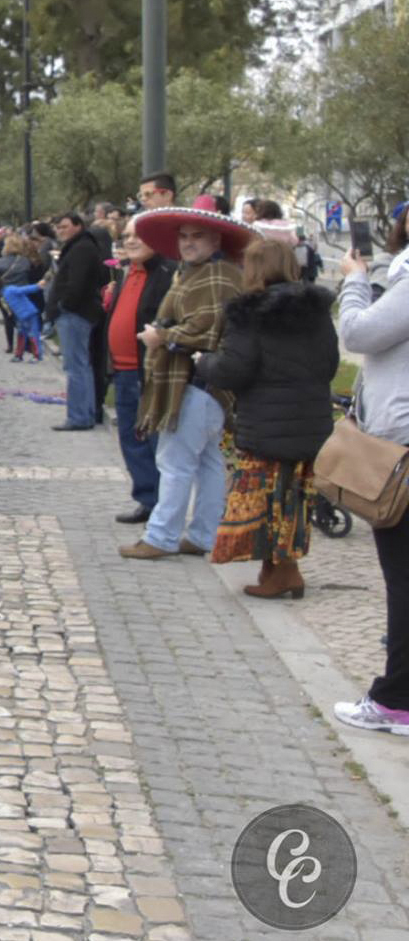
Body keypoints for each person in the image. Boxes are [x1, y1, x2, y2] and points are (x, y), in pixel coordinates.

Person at [195, 239, 338, 599]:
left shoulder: (250, 313)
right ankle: (276, 569)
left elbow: (234, 369)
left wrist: (203, 362)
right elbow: (331, 364)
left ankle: (285, 572)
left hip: (267, 423)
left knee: (268, 500)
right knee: (293, 497)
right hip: (311, 420)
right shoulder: (316, 311)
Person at [119, 208, 250, 561]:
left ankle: (160, 537)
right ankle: (203, 534)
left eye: (197, 237)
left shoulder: (216, 276)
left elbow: (205, 330)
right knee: (207, 462)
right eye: (184, 236)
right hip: (203, 385)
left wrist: (159, 336)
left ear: (215, 240)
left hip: (195, 383)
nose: (188, 243)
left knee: (174, 463)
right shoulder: (200, 272)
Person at [335, 205, 409, 735]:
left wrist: (357, 283)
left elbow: (359, 334)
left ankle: (395, 699)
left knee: (402, 576)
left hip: (401, 442)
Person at [104, 219, 173, 525]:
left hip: (148, 371)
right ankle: (146, 499)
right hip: (122, 370)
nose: (130, 241)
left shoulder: (166, 273)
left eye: (138, 236)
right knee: (130, 438)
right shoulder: (127, 271)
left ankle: (163, 506)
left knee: (155, 442)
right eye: (126, 236)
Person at [44, 212, 105, 432]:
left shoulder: (82, 249)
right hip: (78, 312)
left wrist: (63, 305)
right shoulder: (81, 246)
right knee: (81, 365)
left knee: (76, 366)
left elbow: (77, 283)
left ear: (78, 226)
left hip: (76, 313)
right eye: (58, 228)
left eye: (65, 226)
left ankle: (79, 416)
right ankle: (86, 413)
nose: (61, 231)